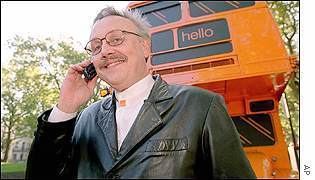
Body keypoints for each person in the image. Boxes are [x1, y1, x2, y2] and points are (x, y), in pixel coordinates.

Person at [25, 6, 256, 179]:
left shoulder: (201, 106)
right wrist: (65, 107)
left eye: (116, 39)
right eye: (96, 46)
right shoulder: (85, 118)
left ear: (145, 47)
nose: (105, 50)